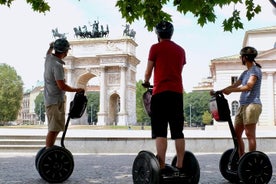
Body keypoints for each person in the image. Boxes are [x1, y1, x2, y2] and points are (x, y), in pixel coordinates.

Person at [143, 21, 186, 171]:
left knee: (160, 130)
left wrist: (146, 81)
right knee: (178, 131)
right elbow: (178, 69)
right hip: (176, 93)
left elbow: (148, 71)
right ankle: (180, 164)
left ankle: (160, 164)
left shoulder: (155, 48)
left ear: (158, 34)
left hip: (160, 93)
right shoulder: (181, 50)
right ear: (171, 33)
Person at [217, 46, 262, 157]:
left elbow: (249, 86)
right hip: (242, 106)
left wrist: (231, 90)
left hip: (252, 105)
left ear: (245, 57)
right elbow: (234, 85)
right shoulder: (245, 73)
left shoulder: (255, 70)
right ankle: (242, 158)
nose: (240, 58)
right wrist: (220, 91)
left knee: (249, 134)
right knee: (236, 135)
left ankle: (251, 158)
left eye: (241, 57)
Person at [44, 38, 84, 148]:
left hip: (50, 99)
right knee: (54, 129)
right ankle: (49, 151)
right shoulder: (57, 65)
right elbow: (62, 86)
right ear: (65, 52)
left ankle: (49, 150)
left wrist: (51, 47)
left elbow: (48, 53)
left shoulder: (48, 59)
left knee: (54, 128)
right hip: (56, 101)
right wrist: (77, 89)